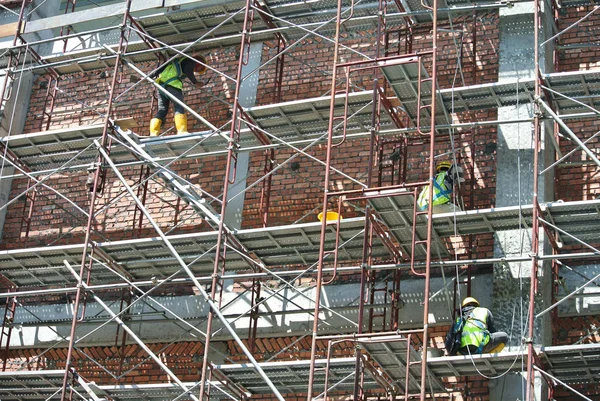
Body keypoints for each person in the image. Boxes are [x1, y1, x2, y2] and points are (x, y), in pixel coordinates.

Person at [148, 54, 207, 136]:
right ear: (200, 62)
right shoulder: (191, 61)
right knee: (179, 106)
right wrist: (195, 82)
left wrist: (149, 76)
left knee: (162, 110)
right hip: (173, 85)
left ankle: (153, 133)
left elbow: (159, 69)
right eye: (200, 68)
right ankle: (182, 131)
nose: (196, 70)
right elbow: (188, 69)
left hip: (161, 87)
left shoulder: (175, 61)